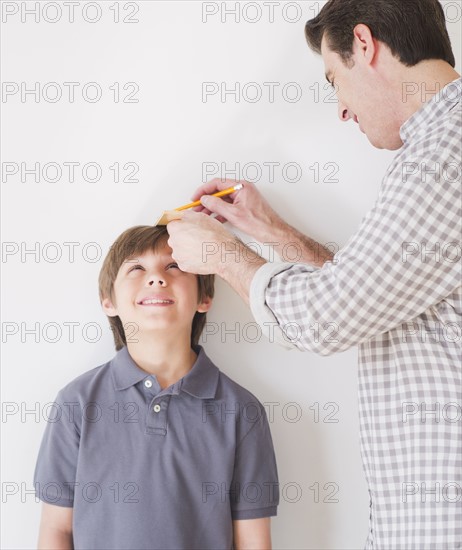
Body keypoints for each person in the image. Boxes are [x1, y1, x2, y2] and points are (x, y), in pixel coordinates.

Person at [166, 0, 461, 547]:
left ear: (365, 46)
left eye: (334, 79)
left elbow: (329, 318)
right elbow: (378, 300)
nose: (342, 110)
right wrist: (273, 232)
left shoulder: (444, 155)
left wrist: (225, 255)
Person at [33, 225, 279, 550]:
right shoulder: (75, 404)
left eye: (173, 266)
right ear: (108, 302)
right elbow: (56, 531)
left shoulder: (242, 412)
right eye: (136, 268)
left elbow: (253, 542)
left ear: (204, 298)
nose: (156, 279)